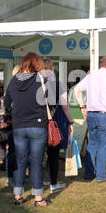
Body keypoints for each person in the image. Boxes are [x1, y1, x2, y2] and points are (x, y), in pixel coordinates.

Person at [4, 53, 51, 206]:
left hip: (19, 126)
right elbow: (52, 101)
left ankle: (18, 195)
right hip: (38, 125)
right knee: (36, 162)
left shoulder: (13, 80)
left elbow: (6, 103)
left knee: (20, 161)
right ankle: (38, 198)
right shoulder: (43, 79)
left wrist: (14, 114)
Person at [75, 56, 106, 182]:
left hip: (91, 114)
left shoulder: (91, 76)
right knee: (104, 146)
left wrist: (82, 107)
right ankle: (101, 176)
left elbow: (77, 89)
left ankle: (89, 173)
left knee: (92, 144)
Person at [43, 59, 74, 193]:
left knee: (39, 154)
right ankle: (53, 183)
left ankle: (42, 180)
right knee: (53, 153)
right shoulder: (57, 84)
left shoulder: (35, 83)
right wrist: (71, 121)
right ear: (52, 68)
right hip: (54, 122)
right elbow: (65, 105)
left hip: (38, 122)